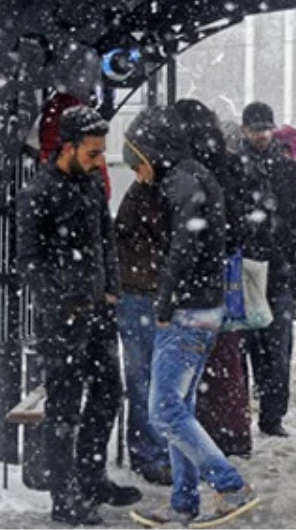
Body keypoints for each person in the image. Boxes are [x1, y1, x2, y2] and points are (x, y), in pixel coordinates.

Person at [122, 106, 260, 526]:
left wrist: (164, 301)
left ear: (151, 153)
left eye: (137, 163)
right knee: (179, 407)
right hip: (205, 307)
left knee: (163, 409)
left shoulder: (180, 182)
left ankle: (230, 485)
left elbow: (184, 246)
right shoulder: (196, 174)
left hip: (187, 309)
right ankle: (183, 504)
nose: (138, 175)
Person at [17, 106, 141, 525]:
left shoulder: (89, 183)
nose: (98, 161)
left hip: (98, 311)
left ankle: (91, 477)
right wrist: (61, 301)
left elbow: (105, 236)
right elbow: (29, 260)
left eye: (100, 153)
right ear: (66, 148)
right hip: (63, 319)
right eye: (91, 153)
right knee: (65, 408)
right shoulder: (39, 192)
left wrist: (111, 290)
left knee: (108, 394)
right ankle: (63, 494)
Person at [176, 101, 252, 458]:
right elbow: (241, 221)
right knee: (227, 355)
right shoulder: (229, 165)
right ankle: (233, 431)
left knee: (192, 362)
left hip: (193, 281)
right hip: (223, 275)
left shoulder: (184, 172)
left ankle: (204, 431)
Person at [238, 102, 296, 437]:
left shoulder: (289, 171)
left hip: (277, 269)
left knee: (277, 347)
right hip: (246, 269)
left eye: (266, 129)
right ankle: (245, 410)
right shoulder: (233, 168)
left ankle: (272, 414)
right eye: (256, 129)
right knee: (246, 346)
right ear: (245, 130)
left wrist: (284, 242)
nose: (262, 135)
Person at [114, 165, 172, 486]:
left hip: (142, 290)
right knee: (146, 378)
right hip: (143, 291)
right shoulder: (150, 197)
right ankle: (150, 452)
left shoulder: (146, 195)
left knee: (144, 378)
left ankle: (149, 450)